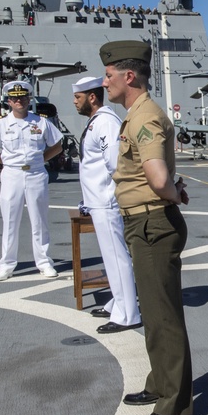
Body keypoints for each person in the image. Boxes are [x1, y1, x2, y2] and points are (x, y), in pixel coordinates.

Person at [100, 39, 194, 415]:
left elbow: (157, 178)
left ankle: (175, 405)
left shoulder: (143, 118)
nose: (105, 83)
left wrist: (173, 193)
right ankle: (160, 384)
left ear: (128, 75)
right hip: (145, 222)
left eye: (108, 75)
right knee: (154, 314)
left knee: (163, 316)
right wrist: (173, 191)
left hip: (152, 223)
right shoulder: (138, 114)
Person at [71, 75, 142, 334]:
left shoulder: (106, 123)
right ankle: (119, 302)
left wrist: (109, 197)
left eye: (78, 98)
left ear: (92, 97)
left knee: (117, 257)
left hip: (107, 200)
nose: (74, 103)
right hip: (98, 200)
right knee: (110, 257)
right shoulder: (96, 122)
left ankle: (128, 314)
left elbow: (114, 163)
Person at [0, 80, 63, 280]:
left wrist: (40, 160)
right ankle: (7, 265)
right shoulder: (1, 124)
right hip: (12, 175)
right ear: (9, 101)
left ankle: (43, 261)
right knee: (10, 220)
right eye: (15, 98)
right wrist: (8, 163)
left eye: (23, 98)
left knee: (39, 219)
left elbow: (57, 146)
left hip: (36, 173)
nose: (20, 101)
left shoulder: (41, 122)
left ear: (29, 99)